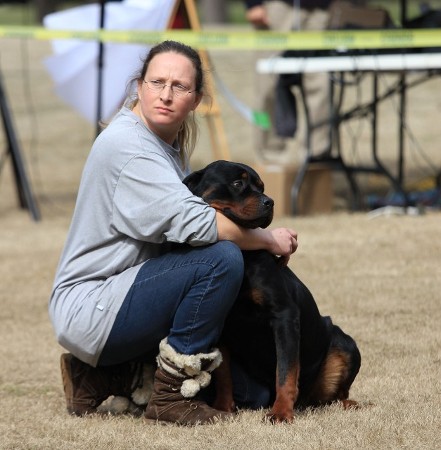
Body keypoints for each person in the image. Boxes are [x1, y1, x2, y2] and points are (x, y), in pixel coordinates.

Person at [49, 40, 299, 426]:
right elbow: (199, 225)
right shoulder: (130, 147)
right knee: (221, 259)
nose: (165, 95)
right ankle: (168, 396)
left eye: (179, 86)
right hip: (93, 307)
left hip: (117, 297)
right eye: (156, 82)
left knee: (255, 395)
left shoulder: (162, 145)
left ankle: (97, 377)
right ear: (139, 85)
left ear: (197, 98)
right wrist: (269, 239)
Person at [243, 0, 333, 163]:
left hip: (320, 10)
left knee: (321, 87)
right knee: (266, 90)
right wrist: (252, 4)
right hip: (276, 9)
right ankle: (269, 160)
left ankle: (315, 156)